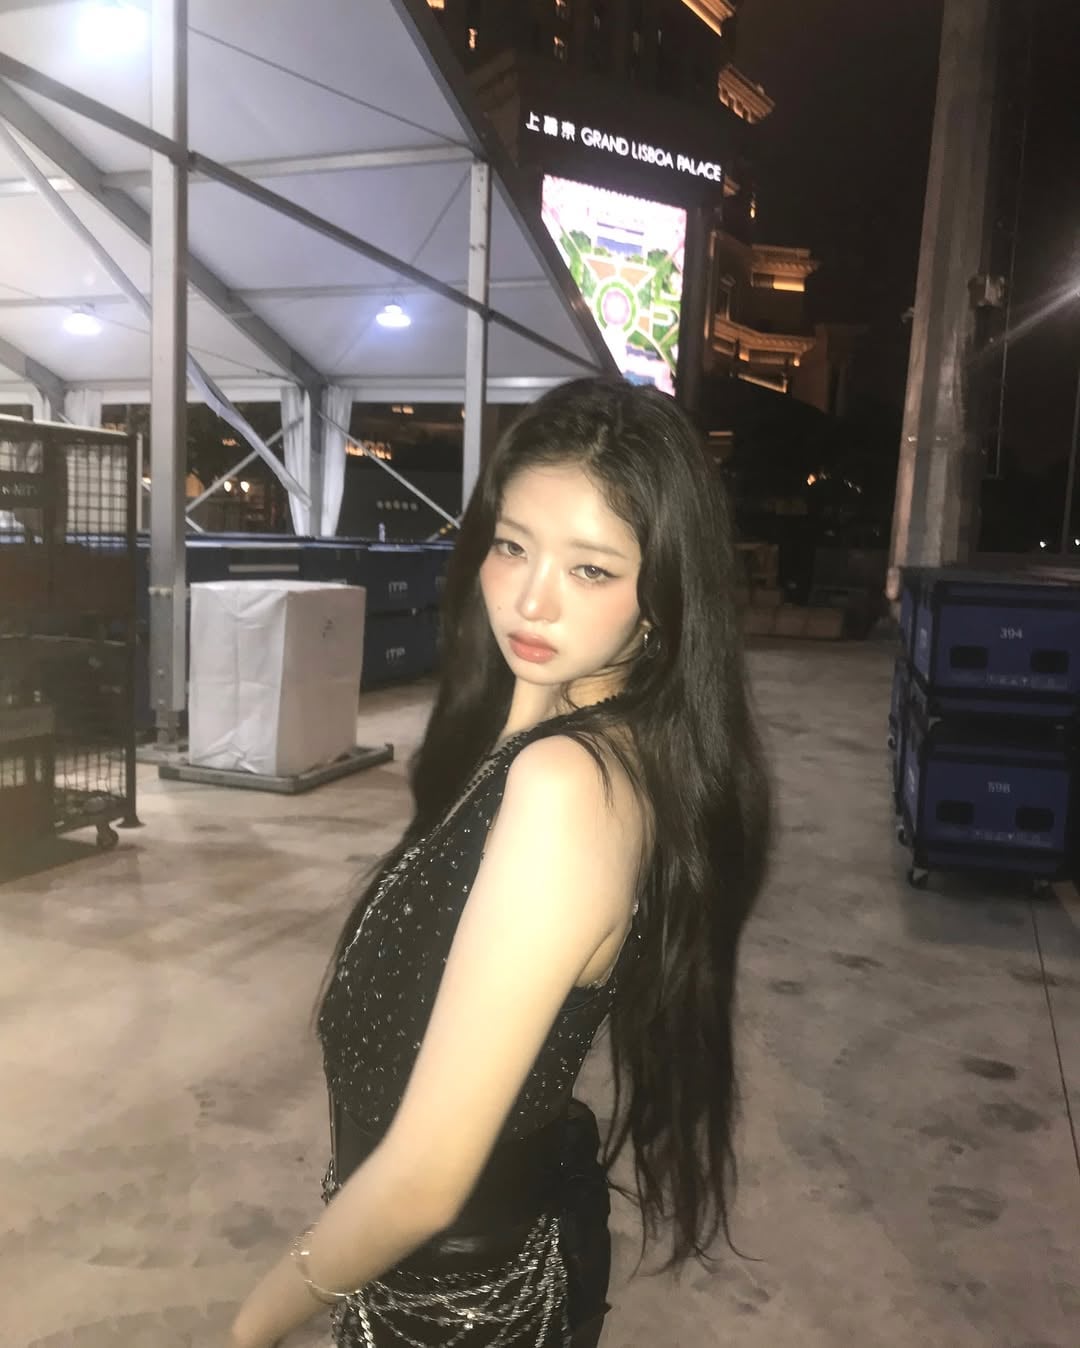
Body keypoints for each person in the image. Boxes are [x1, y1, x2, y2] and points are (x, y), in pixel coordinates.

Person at [229, 377, 772, 1348]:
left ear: (663, 600)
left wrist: (252, 1325)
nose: (529, 598)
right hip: (439, 1267)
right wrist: (525, 699)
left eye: (591, 570)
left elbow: (426, 1178)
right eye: (513, 545)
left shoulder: (566, 787)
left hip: (451, 1303)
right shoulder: (561, 740)